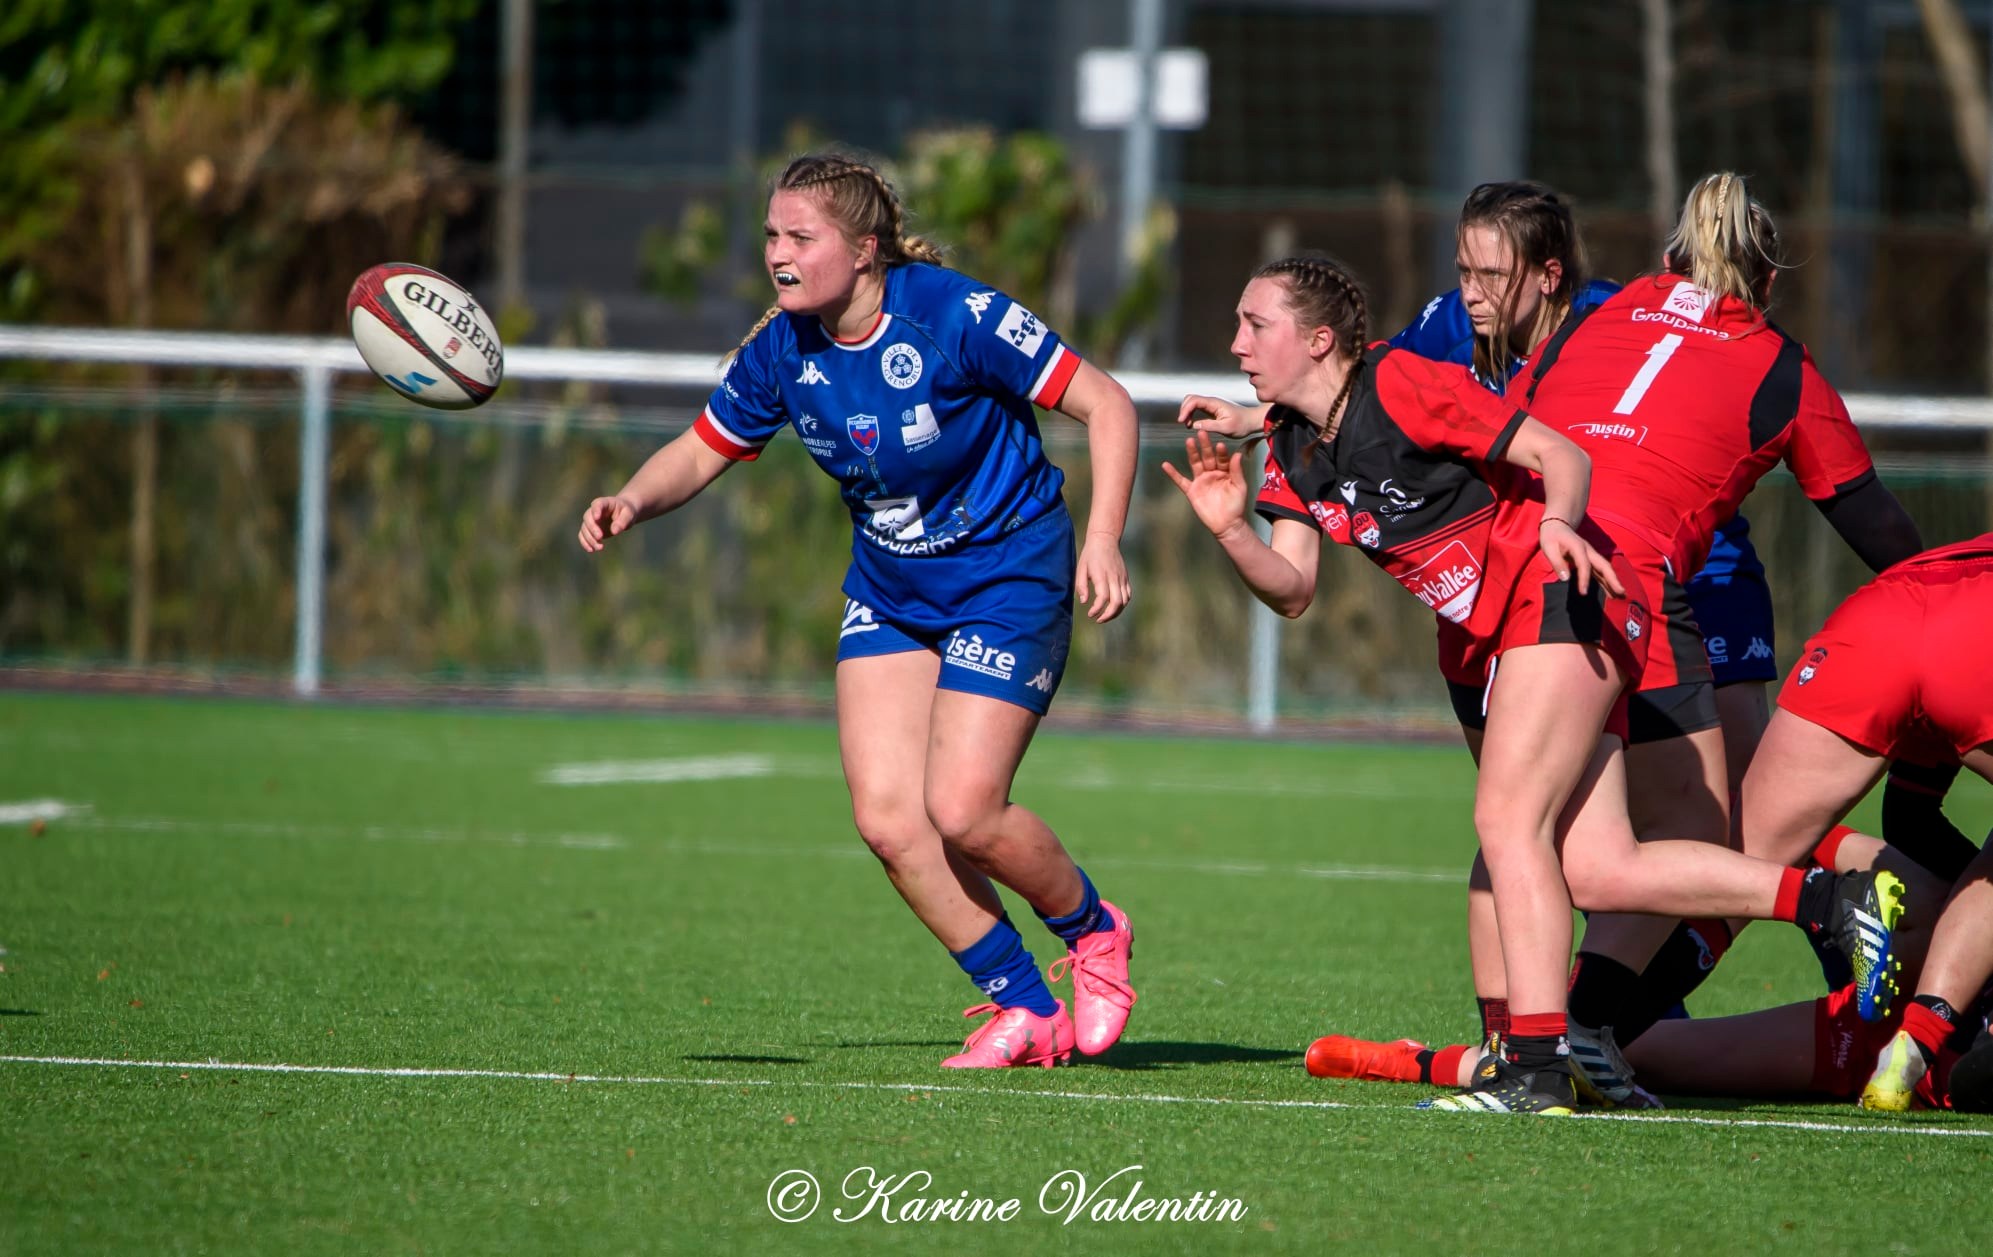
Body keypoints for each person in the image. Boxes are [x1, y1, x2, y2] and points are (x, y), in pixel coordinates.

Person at [1166, 250, 1903, 1116]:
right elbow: (1291, 590)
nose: (1237, 341)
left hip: (1557, 595)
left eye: (1257, 324)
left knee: (1505, 822)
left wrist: (1555, 522)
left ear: (1320, 339)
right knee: (1597, 864)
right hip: (1511, 633)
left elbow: (1560, 451)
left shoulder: (1401, 382)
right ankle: (1827, 896)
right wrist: (1227, 531)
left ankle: (1534, 1069)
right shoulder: (1292, 446)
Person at [579, 152, 1140, 1069]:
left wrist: (1105, 537)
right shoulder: (781, 350)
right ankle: (1025, 1006)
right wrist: (631, 501)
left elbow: (1106, 404)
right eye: (770, 235)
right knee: (888, 820)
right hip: (892, 588)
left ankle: (1092, 928)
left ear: (865, 250)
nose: (778, 254)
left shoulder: (954, 313)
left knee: (962, 810)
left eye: (801, 237)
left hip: (1008, 575)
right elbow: (700, 446)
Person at [1715, 535, 1993, 1112]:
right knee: (1652, 1048)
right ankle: (1913, 1034)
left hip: (1883, 612)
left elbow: (1910, 816)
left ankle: (1533, 1042)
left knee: (1739, 854)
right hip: (1920, 1012)